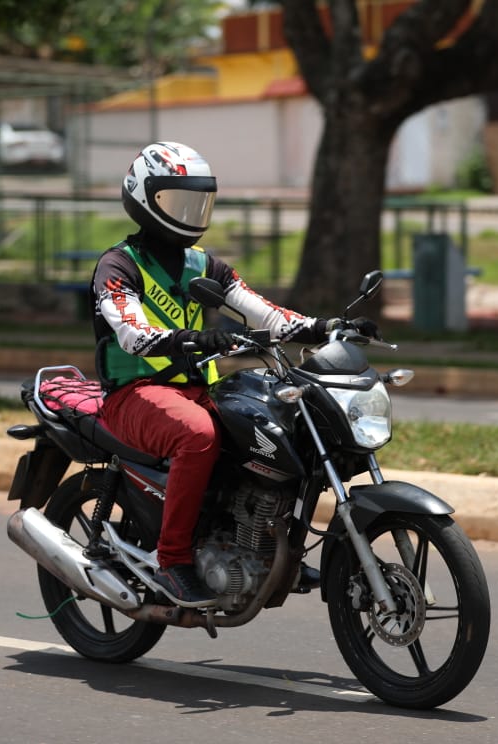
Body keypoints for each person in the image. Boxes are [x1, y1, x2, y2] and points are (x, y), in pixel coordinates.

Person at [90, 142, 379, 607]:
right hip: (134, 394)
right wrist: (193, 338)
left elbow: (265, 313)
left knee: (277, 427)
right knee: (199, 435)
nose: (189, 212)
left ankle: (270, 549)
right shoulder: (119, 264)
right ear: (143, 199)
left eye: (197, 201)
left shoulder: (203, 265)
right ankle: (173, 561)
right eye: (176, 201)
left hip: (194, 389)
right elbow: (131, 332)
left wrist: (325, 326)